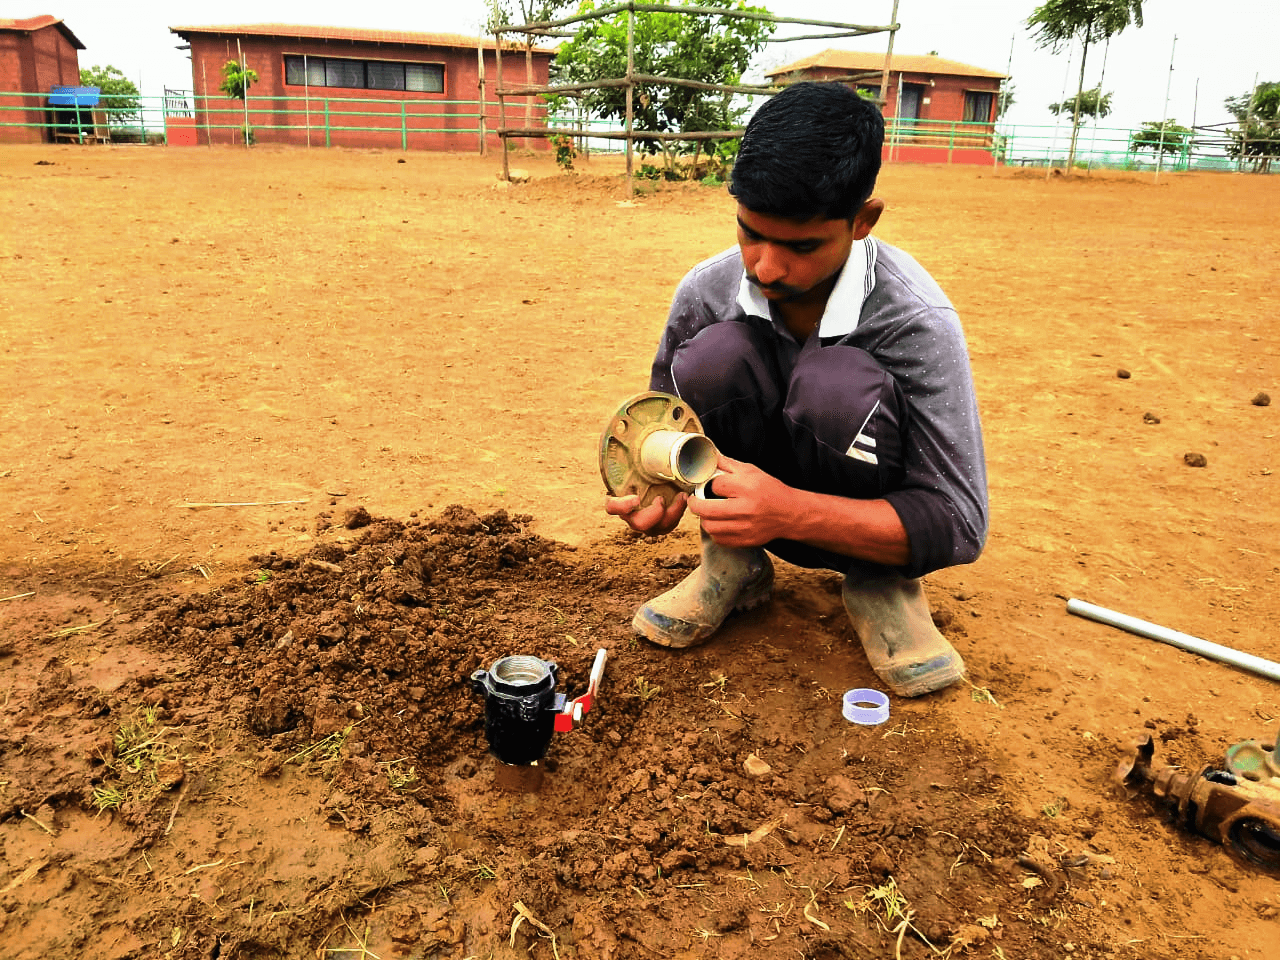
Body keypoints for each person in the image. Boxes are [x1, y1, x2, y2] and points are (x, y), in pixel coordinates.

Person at [604, 81, 988, 698]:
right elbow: (663, 427)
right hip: (748, 510)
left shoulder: (915, 321)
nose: (765, 267)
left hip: (859, 524)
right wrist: (661, 491)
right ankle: (732, 564)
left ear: (863, 221)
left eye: (801, 245)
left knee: (837, 385)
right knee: (714, 355)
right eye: (749, 232)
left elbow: (961, 521)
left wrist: (790, 511)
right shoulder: (705, 293)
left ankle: (880, 585)